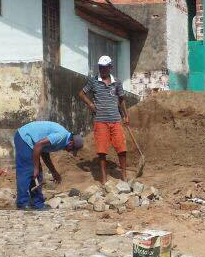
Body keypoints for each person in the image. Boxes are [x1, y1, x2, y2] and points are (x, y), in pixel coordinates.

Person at [78, 55, 129, 183]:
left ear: (110, 67)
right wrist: (90, 104)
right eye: (101, 68)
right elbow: (81, 93)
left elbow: (121, 99)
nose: (102, 70)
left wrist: (126, 115)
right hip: (100, 121)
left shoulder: (117, 82)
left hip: (116, 120)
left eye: (105, 68)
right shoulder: (93, 81)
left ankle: (124, 175)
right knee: (102, 151)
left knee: (121, 148)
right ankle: (104, 179)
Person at [14, 121, 84, 210]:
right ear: (71, 143)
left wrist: (54, 172)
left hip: (32, 141)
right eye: (72, 149)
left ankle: (38, 203)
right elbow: (38, 145)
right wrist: (35, 168)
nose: (69, 151)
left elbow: (44, 153)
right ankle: (22, 203)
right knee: (27, 169)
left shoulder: (62, 141)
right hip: (24, 137)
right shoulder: (61, 136)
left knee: (37, 174)